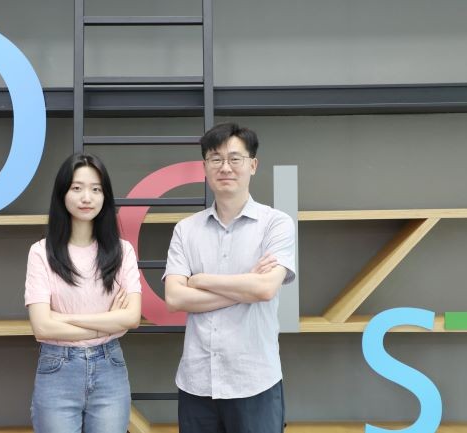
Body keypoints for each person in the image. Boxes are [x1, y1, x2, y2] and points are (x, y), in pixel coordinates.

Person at [164, 122, 296, 433]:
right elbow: (175, 297)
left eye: (235, 158)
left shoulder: (276, 224)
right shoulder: (186, 229)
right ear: (205, 167)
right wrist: (245, 285)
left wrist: (200, 280)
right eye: (216, 159)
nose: (225, 167)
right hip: (197, 383)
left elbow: (265, 289)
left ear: (253, 165)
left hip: (254, 382)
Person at [24, 152, 142, 433]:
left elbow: (132, 318)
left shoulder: (122, 251)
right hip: (57, 369)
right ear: (62, 194)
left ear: (105, 196)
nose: (86, 197)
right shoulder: (40, 252)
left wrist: (62, 318)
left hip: (110, 367)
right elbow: (41, 327)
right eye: (77, 188)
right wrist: (109, 321)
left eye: (96, 189)